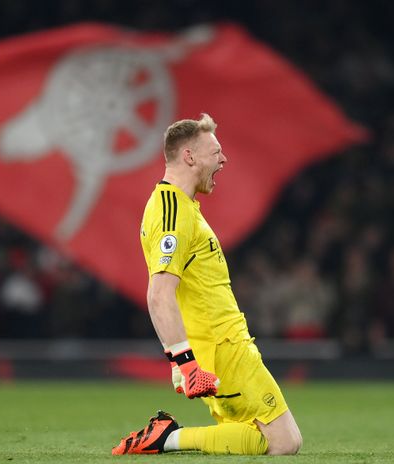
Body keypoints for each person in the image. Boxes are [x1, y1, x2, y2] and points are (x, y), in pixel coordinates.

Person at [111, 114, 302, 455]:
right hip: (222, 347)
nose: (223, 160)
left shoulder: (183, 206)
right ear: (189, 156)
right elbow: (158, 294)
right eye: (216, 152)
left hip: (224, 343)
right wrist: (184, 364)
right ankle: (166, 438)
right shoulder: (172, 211)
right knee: (284, 442)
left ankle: (165, 437)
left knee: (254, 436)